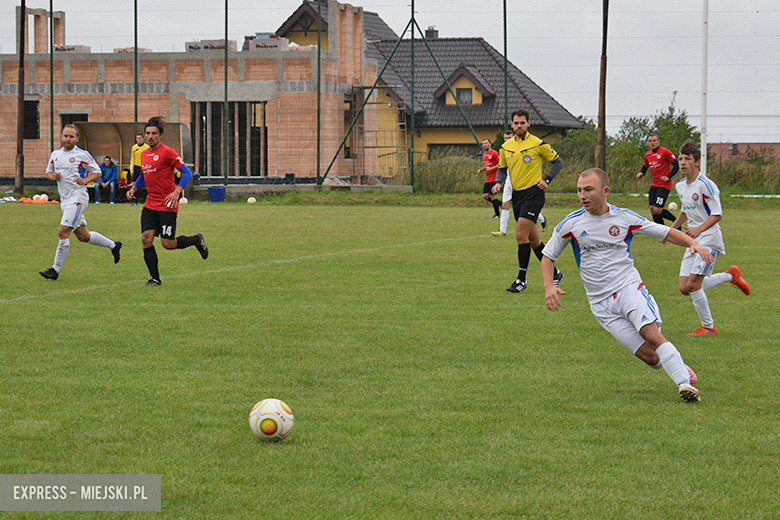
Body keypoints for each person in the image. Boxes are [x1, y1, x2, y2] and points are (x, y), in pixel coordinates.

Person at [541, 168, 711, 402]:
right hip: (599, 304)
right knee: (651, 358)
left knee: (650, 334)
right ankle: (678, 363)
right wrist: (549, 287)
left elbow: (665, 233)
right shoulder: (571, 223)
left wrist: (693, 243)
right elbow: (548, 256)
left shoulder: (624, 218)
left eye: (589, 189)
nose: (582, 195)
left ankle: (684, 384)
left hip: (628, 288)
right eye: (579, 190)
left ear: (605, 191)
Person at [671, 140, 750, 336]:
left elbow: (717, 214)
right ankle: (730, 276)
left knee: (693, 285)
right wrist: (670, 231)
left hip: (709, 240)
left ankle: (708, 327)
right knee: (685, 287)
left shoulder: (706, 185)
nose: (682, 163)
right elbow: (685, 210)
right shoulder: (680, 186)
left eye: (687, 159)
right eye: (680, 159)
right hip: (693, 241)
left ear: (697, 162)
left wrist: (698, 230)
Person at [126, 117, 208, 287]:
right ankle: (155, 279)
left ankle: (196, 240)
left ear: (160, 135)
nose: (150, 136)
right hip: (150, 204)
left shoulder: (168, 152)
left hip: (167, 205)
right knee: (146, 239)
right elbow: (144, 174)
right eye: (148, 133)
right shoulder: (144, 154)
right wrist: (134, 188)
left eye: (154, 133)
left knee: (168, 244)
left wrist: (177, 190)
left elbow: (186, 173)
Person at [39, 125, 122, 280]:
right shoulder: (55, 154)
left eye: (71, 137)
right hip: (64, 199)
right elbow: (48, 172)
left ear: (77, 139)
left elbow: (97, 172)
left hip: (78, 198)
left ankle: (54, 270)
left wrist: (84, 180)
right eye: (65, 136)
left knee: (62, 231)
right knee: (83, 236)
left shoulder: (82, 154)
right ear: (62, 137)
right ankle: (113, 245)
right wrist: (53, 176)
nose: (68, 139)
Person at [497, 110, 562, 292]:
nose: (519, 126)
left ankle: (521, 280)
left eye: (522, 123)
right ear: (512, 125)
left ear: (528, 124)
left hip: (534, 194)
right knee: (533, 240)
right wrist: (497, 183)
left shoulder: (538, 144)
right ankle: (555, 273)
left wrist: (547, 179)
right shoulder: (506, 147)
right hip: (517, 196)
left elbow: (558, 162)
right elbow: (502, 169)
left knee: (520, 236)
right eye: (516, 123)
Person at [492, 130, 547, 237]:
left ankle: (541, 218)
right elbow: (502, 168)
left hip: (523, 183)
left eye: (509, 138)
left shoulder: (523, 149)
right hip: (509, 182)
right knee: (505, 205)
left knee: (524, 208)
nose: (507, 140)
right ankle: (502, 231)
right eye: (505, 138)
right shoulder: (505, 149)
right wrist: (498, 182)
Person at [636, 133, 679, 225]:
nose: (652, 143)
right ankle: (661, 231)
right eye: (650, 141)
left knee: (657, 210)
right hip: (654, 184)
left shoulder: (665, 152)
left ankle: (676, 221)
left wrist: (668, 177)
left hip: (664, 185)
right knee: (652, 210)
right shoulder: (647, 155)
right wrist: (641, 173)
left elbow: (676, 165)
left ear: (658, 141)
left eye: (654, 141)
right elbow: (645, 167)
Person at [477, 138, 501, 218]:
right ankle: (501, 204)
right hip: (488, 178)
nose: (484, 145)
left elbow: (500, 164)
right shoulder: (484, 154)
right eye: (483, 143)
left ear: (490, 144)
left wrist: (491, 168)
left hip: (494, 178)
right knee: (485, 196)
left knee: (492, 196)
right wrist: (481, 170)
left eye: (486, 143)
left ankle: (497, 214)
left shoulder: (494, 153)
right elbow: (486, 165)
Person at [129, 132, 149, 206]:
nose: (138, 140)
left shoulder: (147, 147)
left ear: (143, 139)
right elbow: (132, 159)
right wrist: (131, 169)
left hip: (144, 167)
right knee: (135, 184)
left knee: (147, 184)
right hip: (136, 167)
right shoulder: (134, 147)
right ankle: (135, 200)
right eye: (137, 138)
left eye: (140, 138)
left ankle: (147, 200)